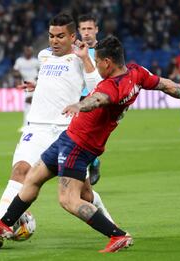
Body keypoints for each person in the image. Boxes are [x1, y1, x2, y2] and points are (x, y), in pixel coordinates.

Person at [0, 36, 180, 253]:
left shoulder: (112, 87)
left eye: (97, 63)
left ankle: (118, 235)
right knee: (33, 177)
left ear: (107, 62)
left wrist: (80, 106)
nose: (95, 67)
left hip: (80, 145)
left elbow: (99, 99)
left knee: (69, 199)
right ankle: (4, 224)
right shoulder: (137, 73)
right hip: (69, 138)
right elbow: (166, 84)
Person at [0, 13, 114, 247]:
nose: (54, 41)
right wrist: (37, 85)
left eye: (59, 36)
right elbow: (56, 81)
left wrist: (85, 59)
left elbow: (97, 88)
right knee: (20, 171)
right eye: (50, 36)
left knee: (84, 194)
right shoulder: (43, 55)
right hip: (36, 128)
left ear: (71, 37)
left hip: (67, 132)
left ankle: (114, 228)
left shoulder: (82, 58)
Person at [77, 13, 101, 185]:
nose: (86, 32)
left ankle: (93, 162)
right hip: (78, 97)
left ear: (96, 30)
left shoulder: (104, 50)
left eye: (89, 29)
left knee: (90, 136)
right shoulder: (74, 51)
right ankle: (88, 167)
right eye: (83, 29)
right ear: (78, 31)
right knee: (77, 135)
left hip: (98, 97)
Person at [13, 46, 40, 132]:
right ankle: (29, 125)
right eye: (26, 51)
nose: (28, 52)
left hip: (35, 85)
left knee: (28, 104)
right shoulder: (19, 61)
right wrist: (17, 78)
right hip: (24, 85)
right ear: (24, 52)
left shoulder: (35, 61)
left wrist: (37, 79)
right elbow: (15, 71)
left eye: (29, 51)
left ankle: (27, 125)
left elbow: (41, 70)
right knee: (28, 105)